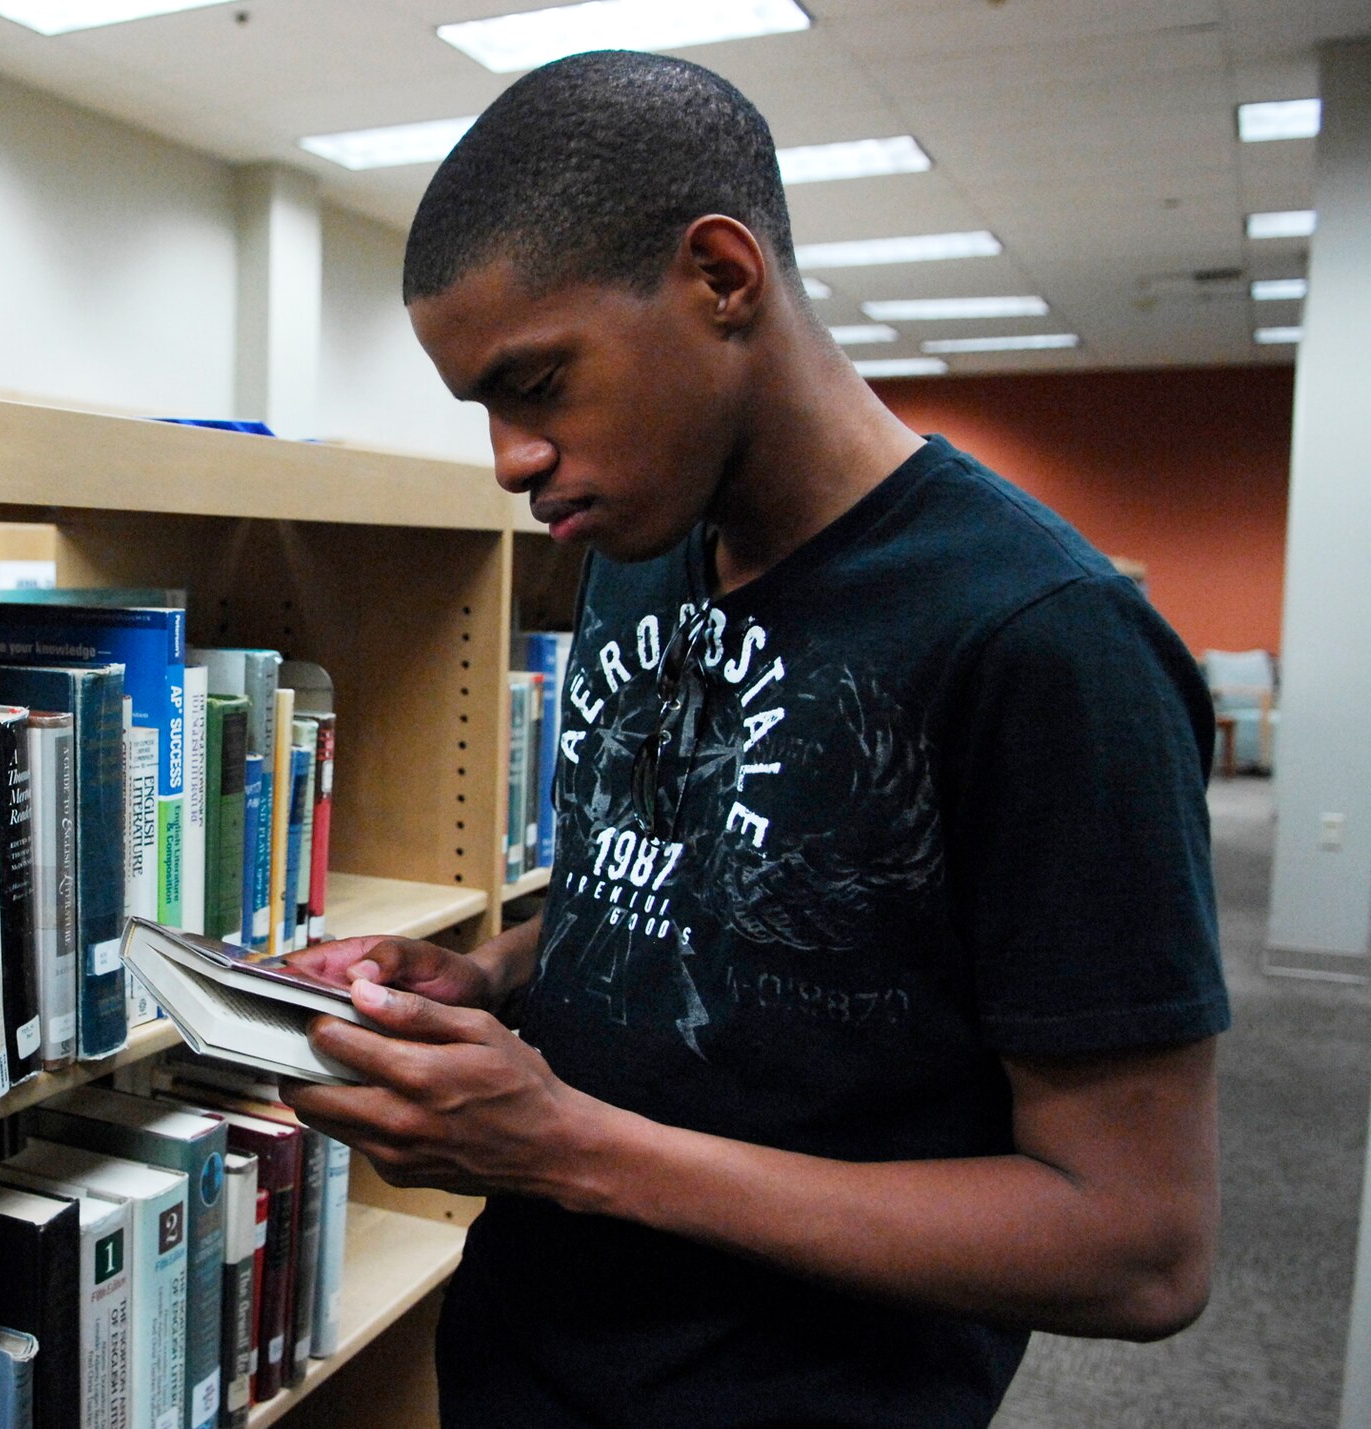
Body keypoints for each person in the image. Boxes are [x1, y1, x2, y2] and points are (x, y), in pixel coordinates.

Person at [281, 49, 1228, 1429]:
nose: (509, 459)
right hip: (524, 1364)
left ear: (724, 278)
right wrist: (483, 977)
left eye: (536, 383)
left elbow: (1138, 1243)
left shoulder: (1045, 641)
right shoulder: (645, 535)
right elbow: (705, 879)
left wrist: (573, 1149)